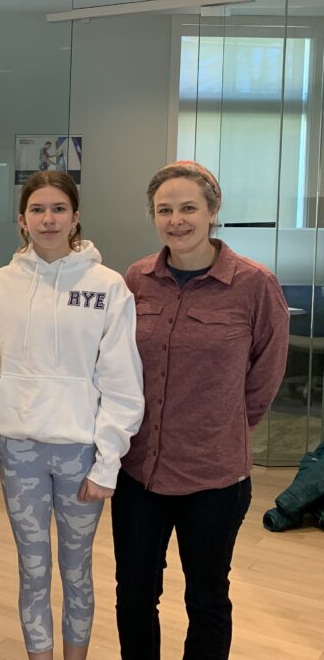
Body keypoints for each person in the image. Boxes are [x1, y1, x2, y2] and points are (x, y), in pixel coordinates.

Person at [0, 171, 145, 660]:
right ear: (22, 220)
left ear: (76, 216)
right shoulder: (1, 283)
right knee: (33, 569)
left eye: (58, 208)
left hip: (81, 452)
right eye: (37, 210)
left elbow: (123, 382)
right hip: (19, 448)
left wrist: (108, 465)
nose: (48, 219)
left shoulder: (108, 286)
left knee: (77, 568)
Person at [113, 161, 289, 660]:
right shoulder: (137, 279)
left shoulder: (254, 285)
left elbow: (265, 376)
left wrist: (220, 424)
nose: (176, 220)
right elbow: (118, 366)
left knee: (207, 597)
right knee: (134, 595)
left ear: (213, 211)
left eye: (188, 207)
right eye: (164, 210)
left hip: (214, 477)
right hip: (139, 470)